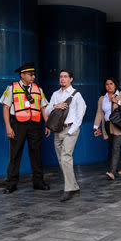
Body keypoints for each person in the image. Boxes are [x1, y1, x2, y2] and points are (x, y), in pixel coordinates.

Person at [0, 62, 51, 194]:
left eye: (34, 74)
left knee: (36, 153)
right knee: (15, 154)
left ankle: (38, 182)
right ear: (22, 75)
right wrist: (8, 127)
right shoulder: (11, 88)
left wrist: (48, 124)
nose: (33, 77)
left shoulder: (38, 89)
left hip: (35, 124)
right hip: (18, 125)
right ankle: (11, 183)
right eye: (30, 74)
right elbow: (5, 108)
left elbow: (43, 107)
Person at [45, 70, 86, 202]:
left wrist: (71, 130)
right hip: (58, 130)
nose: (62, 79)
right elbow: (46, 110)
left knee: (66, 157)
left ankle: (68, 189)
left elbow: (81, 113)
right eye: (61, 77)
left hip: (70, 129)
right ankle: (74, 185)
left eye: (65, 77)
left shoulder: (76, 95)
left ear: (71, 79)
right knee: (61, 160)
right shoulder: (56, 94)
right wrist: (55, 106)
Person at [93, 78, 121, 180]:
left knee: (115, 147)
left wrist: (117, 101)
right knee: (116, 147)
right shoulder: (102, 98)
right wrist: (96, 126)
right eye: (107, 84)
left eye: (111, 84)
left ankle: (112, 171)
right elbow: (99, 113)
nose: (109, 86)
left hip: (118, 125)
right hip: (107, 125)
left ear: (115, 85)